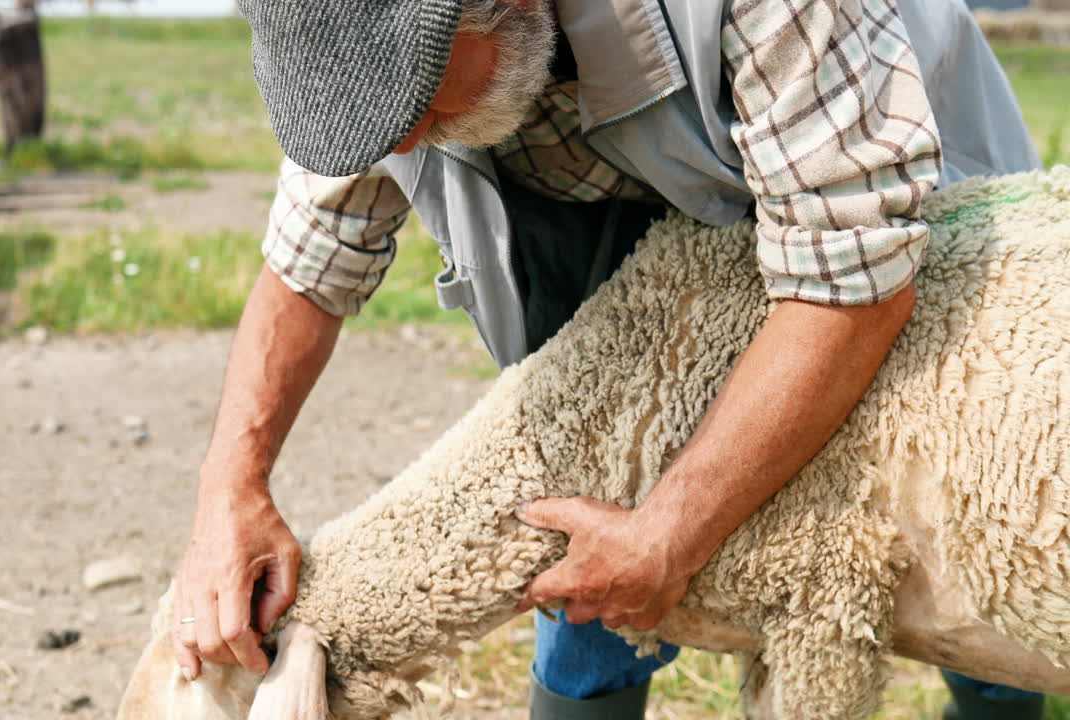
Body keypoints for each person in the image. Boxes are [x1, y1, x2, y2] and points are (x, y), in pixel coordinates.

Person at [171, 0, 1046, 717]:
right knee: (582, 521)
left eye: (417, 105)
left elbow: (852, 282)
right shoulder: (370, 71)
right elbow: (310, 263)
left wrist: (670, 534)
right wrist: (229, 492)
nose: (396, 147)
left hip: (869, 184)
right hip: (611, 204)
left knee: (971, 521)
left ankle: (1002, 694)